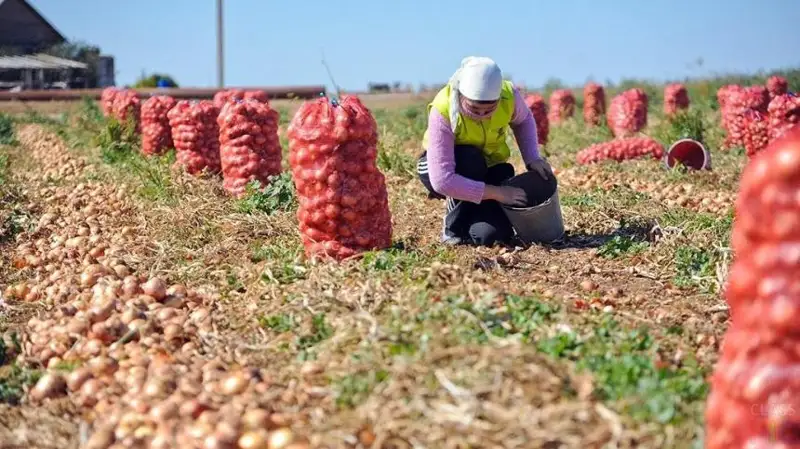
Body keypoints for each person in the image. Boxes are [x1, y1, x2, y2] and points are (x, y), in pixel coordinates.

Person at [417, 56, 553, 246]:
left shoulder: (508, 96)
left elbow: (524, 120)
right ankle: (453, 227)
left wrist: (532, 158)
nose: (481, 115)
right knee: (470, 160)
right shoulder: (443, 108)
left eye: (489, 110)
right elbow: (443, 181)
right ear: (461, 96)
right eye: (474, 109)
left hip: (487, 168)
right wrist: (499, 193)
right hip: (442, 169)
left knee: (491, 236)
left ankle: (473, 216)